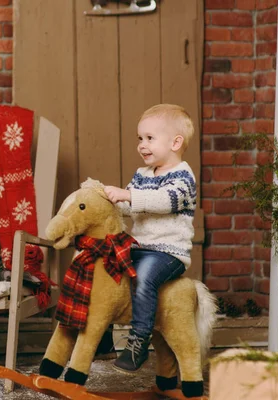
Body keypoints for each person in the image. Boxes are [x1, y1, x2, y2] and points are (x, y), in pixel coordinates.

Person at [104, 104, 196, 373]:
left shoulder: (183, 176)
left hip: (168, 252)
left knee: (143, 277)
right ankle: (102, 336)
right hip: (140, 247)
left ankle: (138, 343)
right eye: (140, 139)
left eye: (150, 139)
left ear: (175, 142)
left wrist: (128, 195)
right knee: (105, 265)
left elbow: (164, 202)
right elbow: (128, 206)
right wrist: (108, 200)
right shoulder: (142, 175)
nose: (142, 145)